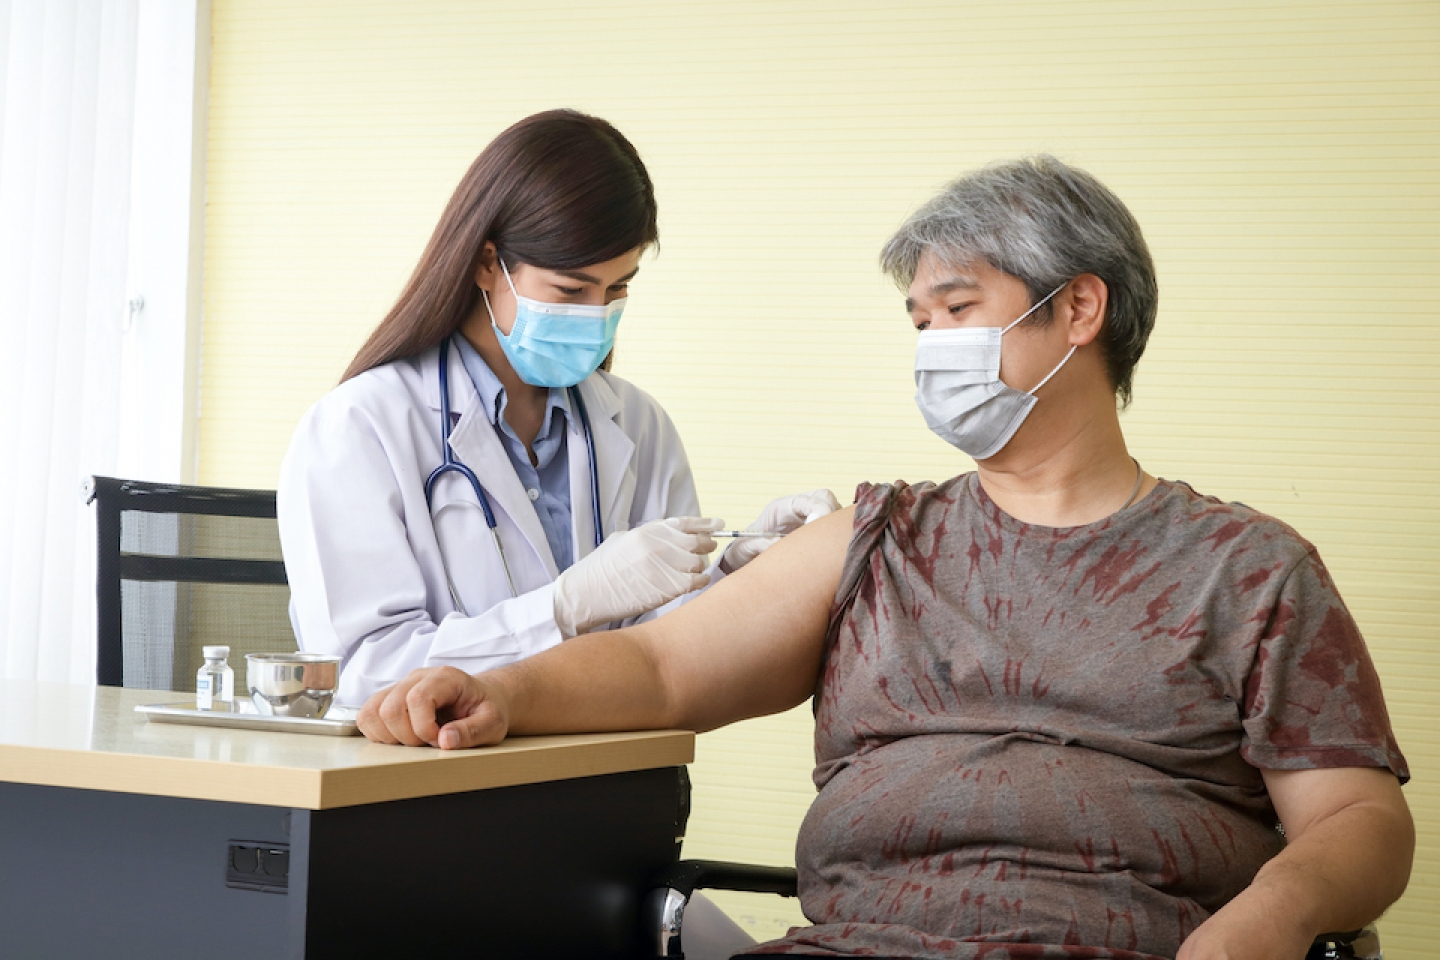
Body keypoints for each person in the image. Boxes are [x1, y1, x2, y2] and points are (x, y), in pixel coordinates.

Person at [356, 156, 1414, 960]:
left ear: (1080, 309)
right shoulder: (876, 539)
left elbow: (1360, 818)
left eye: (958, 310)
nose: (930, 346)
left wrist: (1268, 919)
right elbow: (661, 668)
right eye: (918, 320)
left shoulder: (1248, 569)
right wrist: (497, 691)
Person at [277, 109, 837, 707]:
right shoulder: (360, 427)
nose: (597, 313)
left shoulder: (639, 426)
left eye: (618, 288)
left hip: (609, 774)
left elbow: (671, 654)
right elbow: (363, 672)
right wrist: (564, 607)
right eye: (571, 290)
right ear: (489, 263)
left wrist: (740, 575)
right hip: (444, 781)